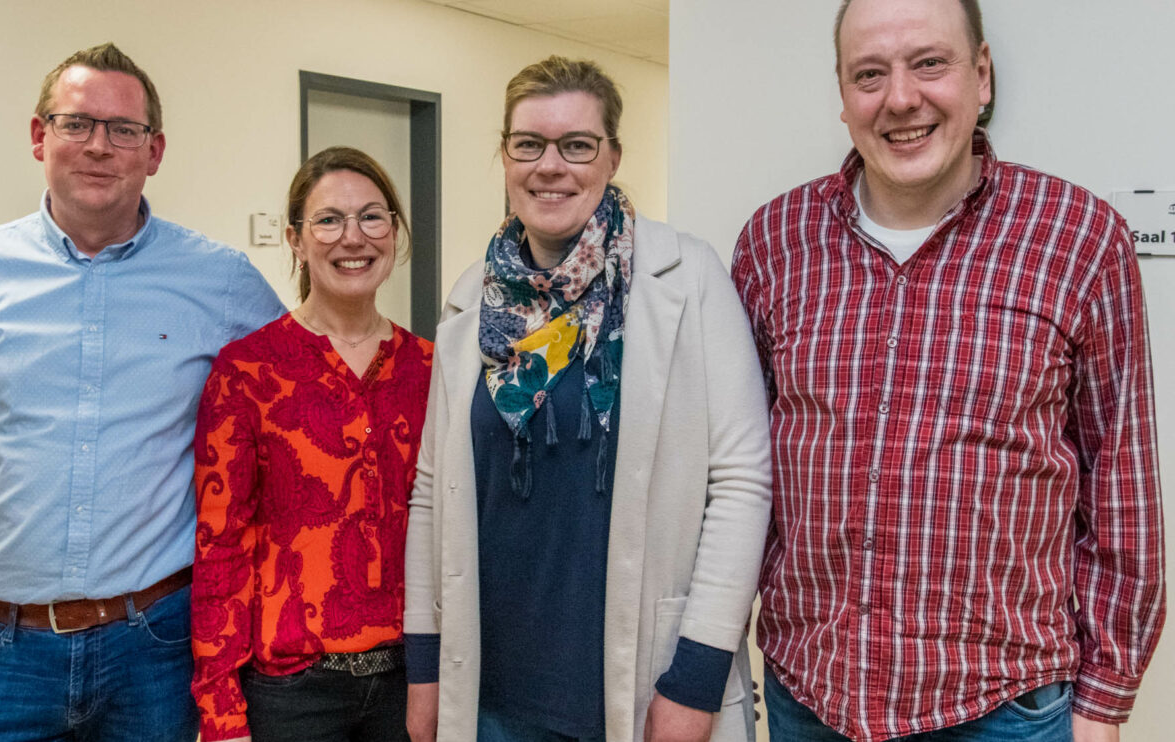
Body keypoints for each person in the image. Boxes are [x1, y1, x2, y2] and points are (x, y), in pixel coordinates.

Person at [730, 1, 1166, 740]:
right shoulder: (775, 243)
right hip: (811, 700)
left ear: (982, 75)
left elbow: (1121, 490)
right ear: (843, 96)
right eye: (869, 74)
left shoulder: (1080, 238)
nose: (900, 98)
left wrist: (1104, 704)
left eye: (929, 62)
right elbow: (739, 473)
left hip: (1000, 709)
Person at [0, 43, 285, 742]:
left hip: (156, 649)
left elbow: (303, 398)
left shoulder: (221, 281)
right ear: (40, 136)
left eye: (123, 130)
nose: (99, 146)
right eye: (77, 124)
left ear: (154, 150)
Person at [404, 56, 772, 742]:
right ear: (505, 155)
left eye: (577, 145)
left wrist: (695, 678)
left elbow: (742, 481)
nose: (551, 166)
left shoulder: (683, 280)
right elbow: (431, 492)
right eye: (529, 145)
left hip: (637, 685)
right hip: (487, 688)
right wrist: (425, 664)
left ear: (612, 157)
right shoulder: (471, 298)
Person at [191, 146, 433, 742]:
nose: (353, 238)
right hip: (293, 692)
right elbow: (221, 544)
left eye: (372, 217)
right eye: (328, 220)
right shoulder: (247, 370)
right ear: (296, 240)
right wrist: (223, 714)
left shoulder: (431, 368)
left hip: (415, 682)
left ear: (395, 234)